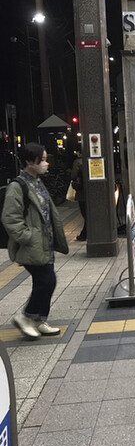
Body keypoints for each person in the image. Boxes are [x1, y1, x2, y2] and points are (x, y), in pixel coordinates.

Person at [1, 143, 69, 339]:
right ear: (30, 161)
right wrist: (27, 237)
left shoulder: (37, 182)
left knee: (43, 281)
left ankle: (39, 320)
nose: (47, 163)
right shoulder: (18, 186)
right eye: (43, 159)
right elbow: (10, 218)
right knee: (47, 280)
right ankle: (26, 317)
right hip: (33, 245)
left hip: (44, 243)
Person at [71, 150, 86, 241]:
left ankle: (84, 234)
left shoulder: (78, 162)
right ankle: (84, 233)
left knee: (85, 213)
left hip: (82, 192)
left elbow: (73, 175)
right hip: (93, 191)